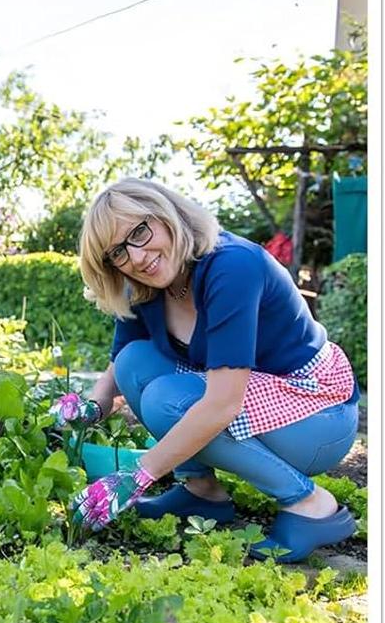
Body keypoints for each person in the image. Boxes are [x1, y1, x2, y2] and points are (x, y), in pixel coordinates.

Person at [71, 178, 359, 563]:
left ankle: (311, 504)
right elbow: (121, 363)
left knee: (166, 400)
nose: (137, 257)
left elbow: (223, 403)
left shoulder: (231, 266)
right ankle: (201, 492)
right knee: (135, 364)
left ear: (167, 214)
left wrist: (136, 477)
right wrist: (90, 408)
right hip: (257, 402)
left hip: (317, 413)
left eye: (140, 232)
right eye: (118, 252)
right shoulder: (145, 285)